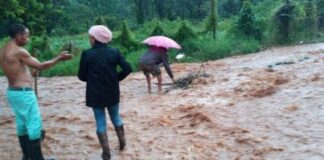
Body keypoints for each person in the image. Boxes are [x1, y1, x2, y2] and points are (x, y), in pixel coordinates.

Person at [0, 24, 73, 160]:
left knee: (22, 124)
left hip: (13, 92)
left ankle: (27, 157)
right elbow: (41, 65)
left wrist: (30, 71)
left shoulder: (3, 50)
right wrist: (59, 58)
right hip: (24, 93)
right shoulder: (18, 51)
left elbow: (18, 69)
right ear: (18, 36)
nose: (28, 39)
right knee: (34, 124)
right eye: (27, 36)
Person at [78, 25, 132, 160]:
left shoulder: (87, 54)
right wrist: (116, 78)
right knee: (116, 118)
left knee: (100, 121)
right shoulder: (114, 52)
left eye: (90, 37)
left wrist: (91, 80)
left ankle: (106, 152)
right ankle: (122, 143)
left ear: (94, 38)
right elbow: (128, 68)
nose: (90, 39)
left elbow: (81, 76)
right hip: (112, 91)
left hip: (95, 93)